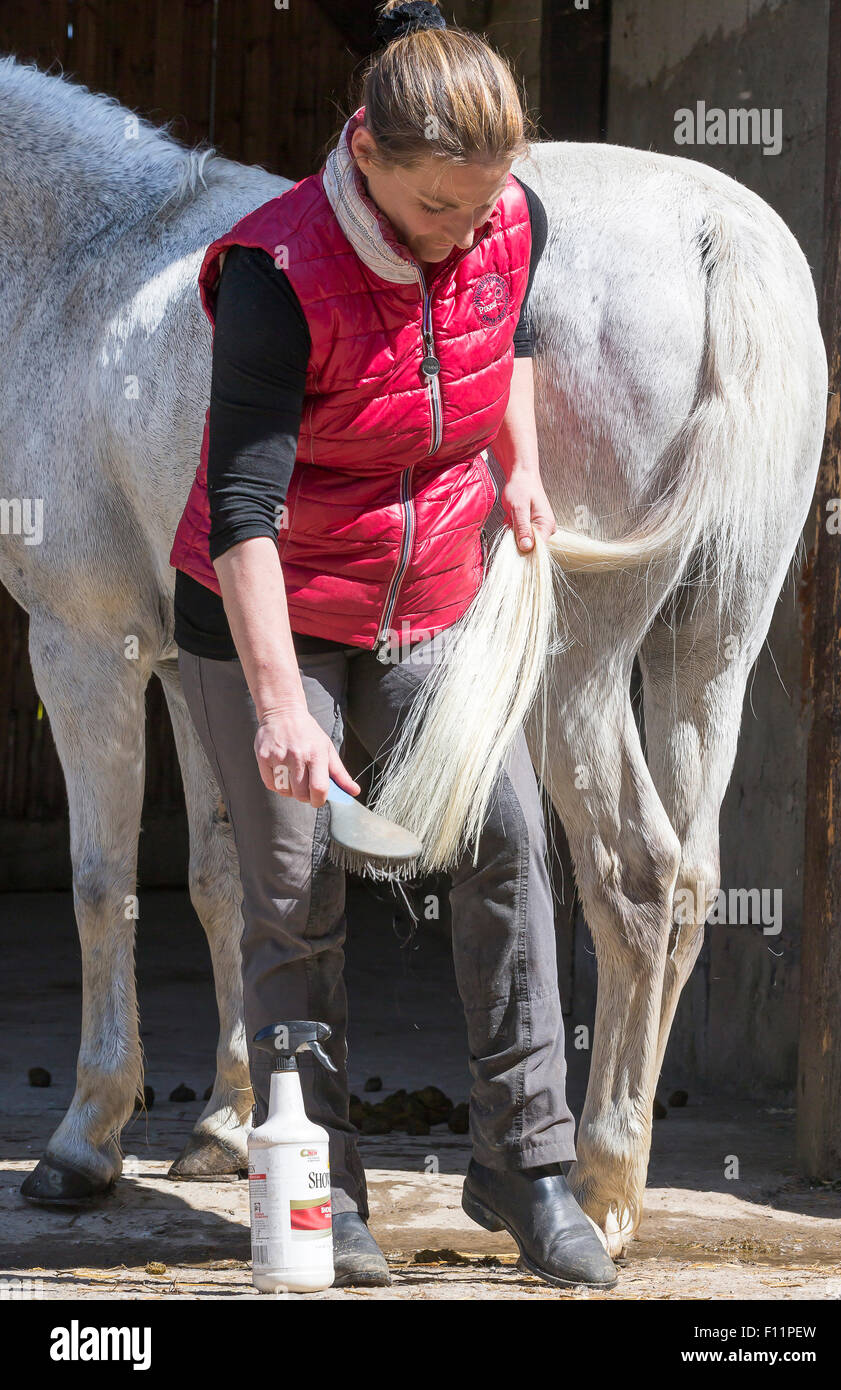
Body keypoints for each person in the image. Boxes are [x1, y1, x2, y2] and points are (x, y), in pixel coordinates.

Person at [170, 0, 616, 1291]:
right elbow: (244, 510)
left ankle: (525, 1163)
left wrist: (519, 465)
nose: (464, 232)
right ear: (363, 152)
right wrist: (278, 709)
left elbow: (505, 337)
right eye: (438, 210)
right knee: (295, 886)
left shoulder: (504, 218)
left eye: (481, 207)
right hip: (266, 604)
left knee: (508, 832)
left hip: (419, 591)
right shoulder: (276, 276)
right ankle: (325, 1188)